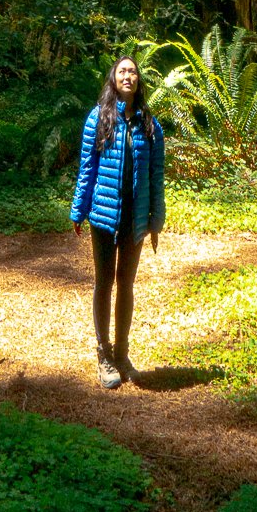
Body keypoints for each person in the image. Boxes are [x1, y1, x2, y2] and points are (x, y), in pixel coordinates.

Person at [70, 55, 165, 387]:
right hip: (103, 216)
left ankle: (122, 354)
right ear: (113, 79)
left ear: (139, 81)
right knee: (104, 282)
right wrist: (78, 210)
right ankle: (104, 355)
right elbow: (87, 169)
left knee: (126, 284)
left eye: (133, 72)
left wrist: (156, 220)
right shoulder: (98, 119)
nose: (129, 76)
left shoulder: (150, 125)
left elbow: (156, 177)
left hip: (134, 220)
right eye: (123, 71)